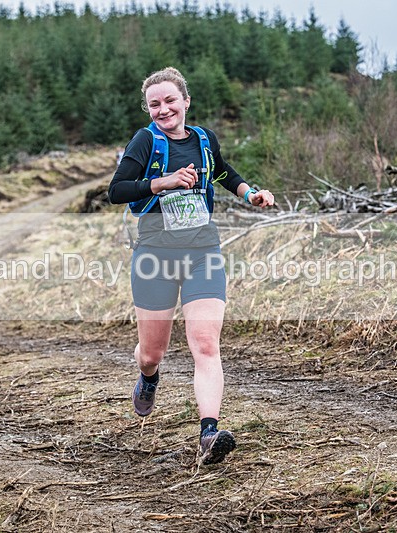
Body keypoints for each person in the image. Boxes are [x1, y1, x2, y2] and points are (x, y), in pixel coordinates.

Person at [108, 67, 275, 465]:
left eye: (169, 100)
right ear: (148, 110)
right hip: (155, 257)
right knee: (153, 352)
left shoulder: (203, 139)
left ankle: (209, 432)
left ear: (186, 101)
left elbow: (221, 171)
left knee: (204, 343)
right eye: (154, 104)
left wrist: (249, 193)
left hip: (203, 252)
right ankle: (148, 377)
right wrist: (162, 183)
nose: (163, 109)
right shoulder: (146, 141)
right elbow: (117, 190)